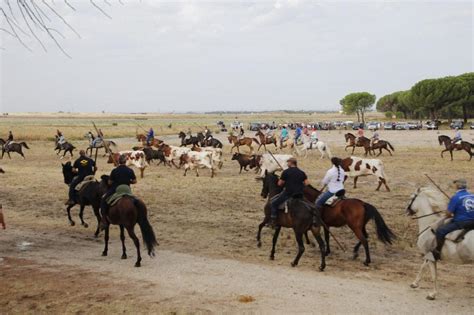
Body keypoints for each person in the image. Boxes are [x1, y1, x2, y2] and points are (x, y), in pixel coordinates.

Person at [432, 179, 474, 260]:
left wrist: (448, 213)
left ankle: (437, 252)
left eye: (454, 185)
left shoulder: (455, 197)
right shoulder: (472, 196)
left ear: (457, 186)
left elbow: (448, 214)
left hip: (463, 223)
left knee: (440, 231)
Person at [269, 158, 309, 227]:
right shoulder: (302, 172)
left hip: (288, 194)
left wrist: (285, 180)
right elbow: (307, 183)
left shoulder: (286, 172)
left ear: (291, 163)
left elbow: (279, 184)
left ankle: (274, 221)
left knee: (273, 203)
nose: (287, 164)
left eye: (288, 163)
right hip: (299, 194)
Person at [100, 154, 137, 228]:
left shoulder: (115, 170)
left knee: (103, 200)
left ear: (118, 161)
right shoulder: (130, 170)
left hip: (116, 189)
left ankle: (104, 219)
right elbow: (134, 181)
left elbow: (110, 182)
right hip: (127, 189)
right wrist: (128, 181)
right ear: (125, 161)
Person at [314, 157, 346, 225]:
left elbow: (325, 181)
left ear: (332, 163)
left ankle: (317, 220)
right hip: (341, 190)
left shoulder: (330, 171)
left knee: (318, 203)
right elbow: (342, 180)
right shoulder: (342, 171)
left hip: (332, 191)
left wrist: (323, 185)